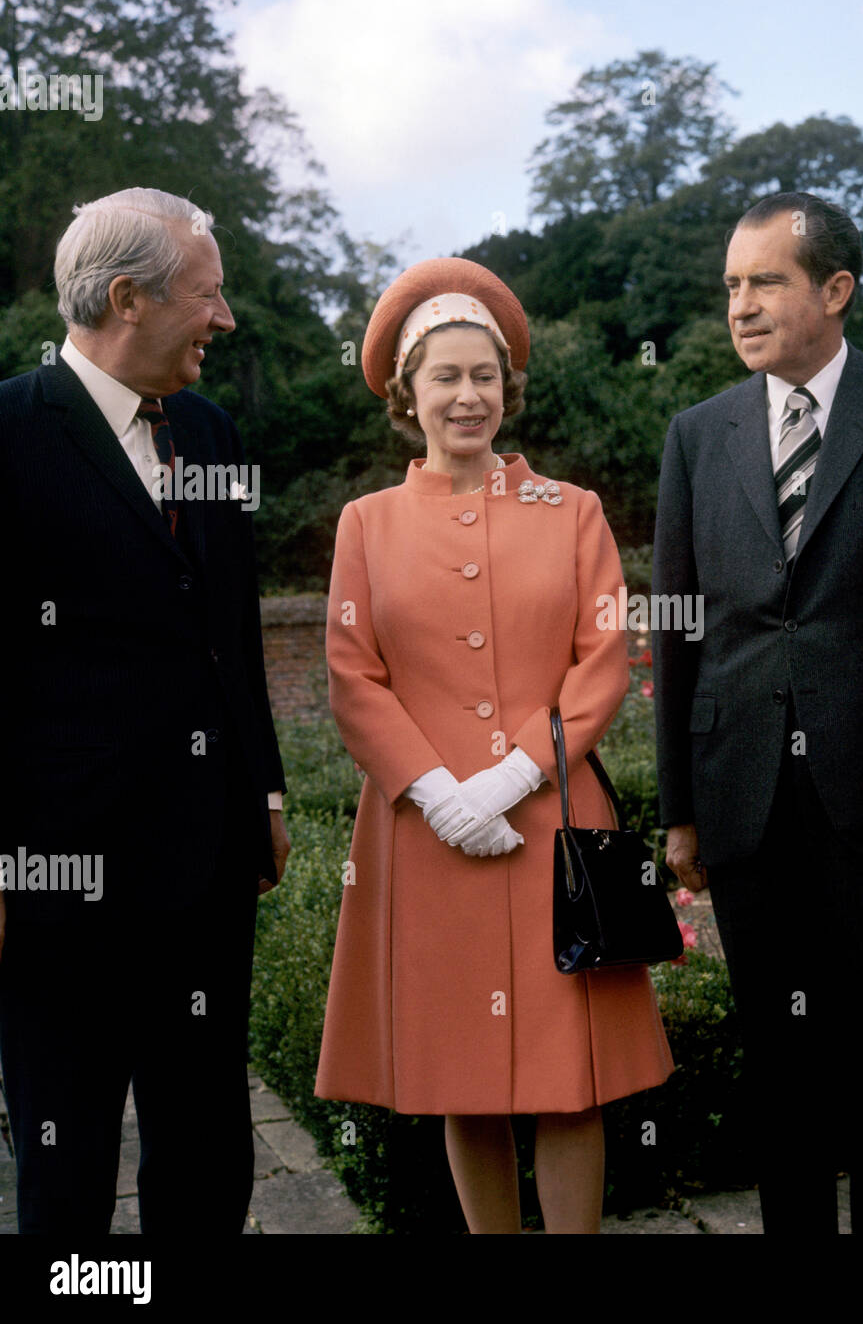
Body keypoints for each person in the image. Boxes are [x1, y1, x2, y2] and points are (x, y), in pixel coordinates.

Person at [315, 257, 672, 1235]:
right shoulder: (366, 524)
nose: (467, 396)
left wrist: (512, 773)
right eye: (445, 377)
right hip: (427, 837)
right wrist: (436, 793)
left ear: (508, 388)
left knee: (571, 1081)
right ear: (407, 393)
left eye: (484, 376)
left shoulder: (575, 512)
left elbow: (603, 655)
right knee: (460, 1077)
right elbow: (354, 675)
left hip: (552, 820)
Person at [652, 192, 863, 1234]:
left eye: (764, 282)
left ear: (835, 291)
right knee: (779, 1066)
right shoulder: (695, 435)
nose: (740, 307)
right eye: (731, 287)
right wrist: (679, 808)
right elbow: (678, 630)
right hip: (743, 791)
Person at [0, 187, 289, 1235]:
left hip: (206, 864)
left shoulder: (209, 430)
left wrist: (262, 786)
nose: (225, 319)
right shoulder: (9, 431)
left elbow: (232, 627)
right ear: (128, 298)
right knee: (66, 1149)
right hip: (56, 878)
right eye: (208, 297)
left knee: (207, 1139)